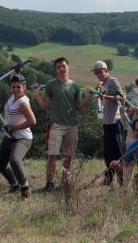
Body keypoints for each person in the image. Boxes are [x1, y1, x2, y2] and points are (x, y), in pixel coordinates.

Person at [33, 57, 92, 192]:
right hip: (56, 125)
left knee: (68, 156)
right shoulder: (50, 85)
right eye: (58, 67)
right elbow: (43, 106)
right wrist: (36, 95)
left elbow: (78, 106)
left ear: (68, 67)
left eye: (63, 66)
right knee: (52, 155)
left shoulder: (75, 86)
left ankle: (64, 183)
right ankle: (49, 183)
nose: (61, 69)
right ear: (55, 69)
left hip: (72, 125)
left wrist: (87, 97)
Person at [0, 74, 36, 200]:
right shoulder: (13, 97)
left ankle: (25, 190)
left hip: (22, 138)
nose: (16, 89)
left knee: (14, 160)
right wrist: (16, 71)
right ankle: (15, 184)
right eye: (13, 87)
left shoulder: (23, 102)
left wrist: (14, 128)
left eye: (19, 87)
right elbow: (15, 77)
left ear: (24, 87)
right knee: (0, 165)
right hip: (9, 137)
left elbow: (32, 121)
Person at [91, 60, 125, 186]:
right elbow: (105, 102)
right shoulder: (105, 84)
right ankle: (109, 179)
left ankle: (122, 181)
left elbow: (121, 97)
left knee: (117, 154)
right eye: (96, 73)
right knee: (108, 154)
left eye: (100, 72)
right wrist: (100, 95)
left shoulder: (113, 81)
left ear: (106, 71)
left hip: (114, 122)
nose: (98, 75)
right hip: (107, 123)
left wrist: (105, 96)